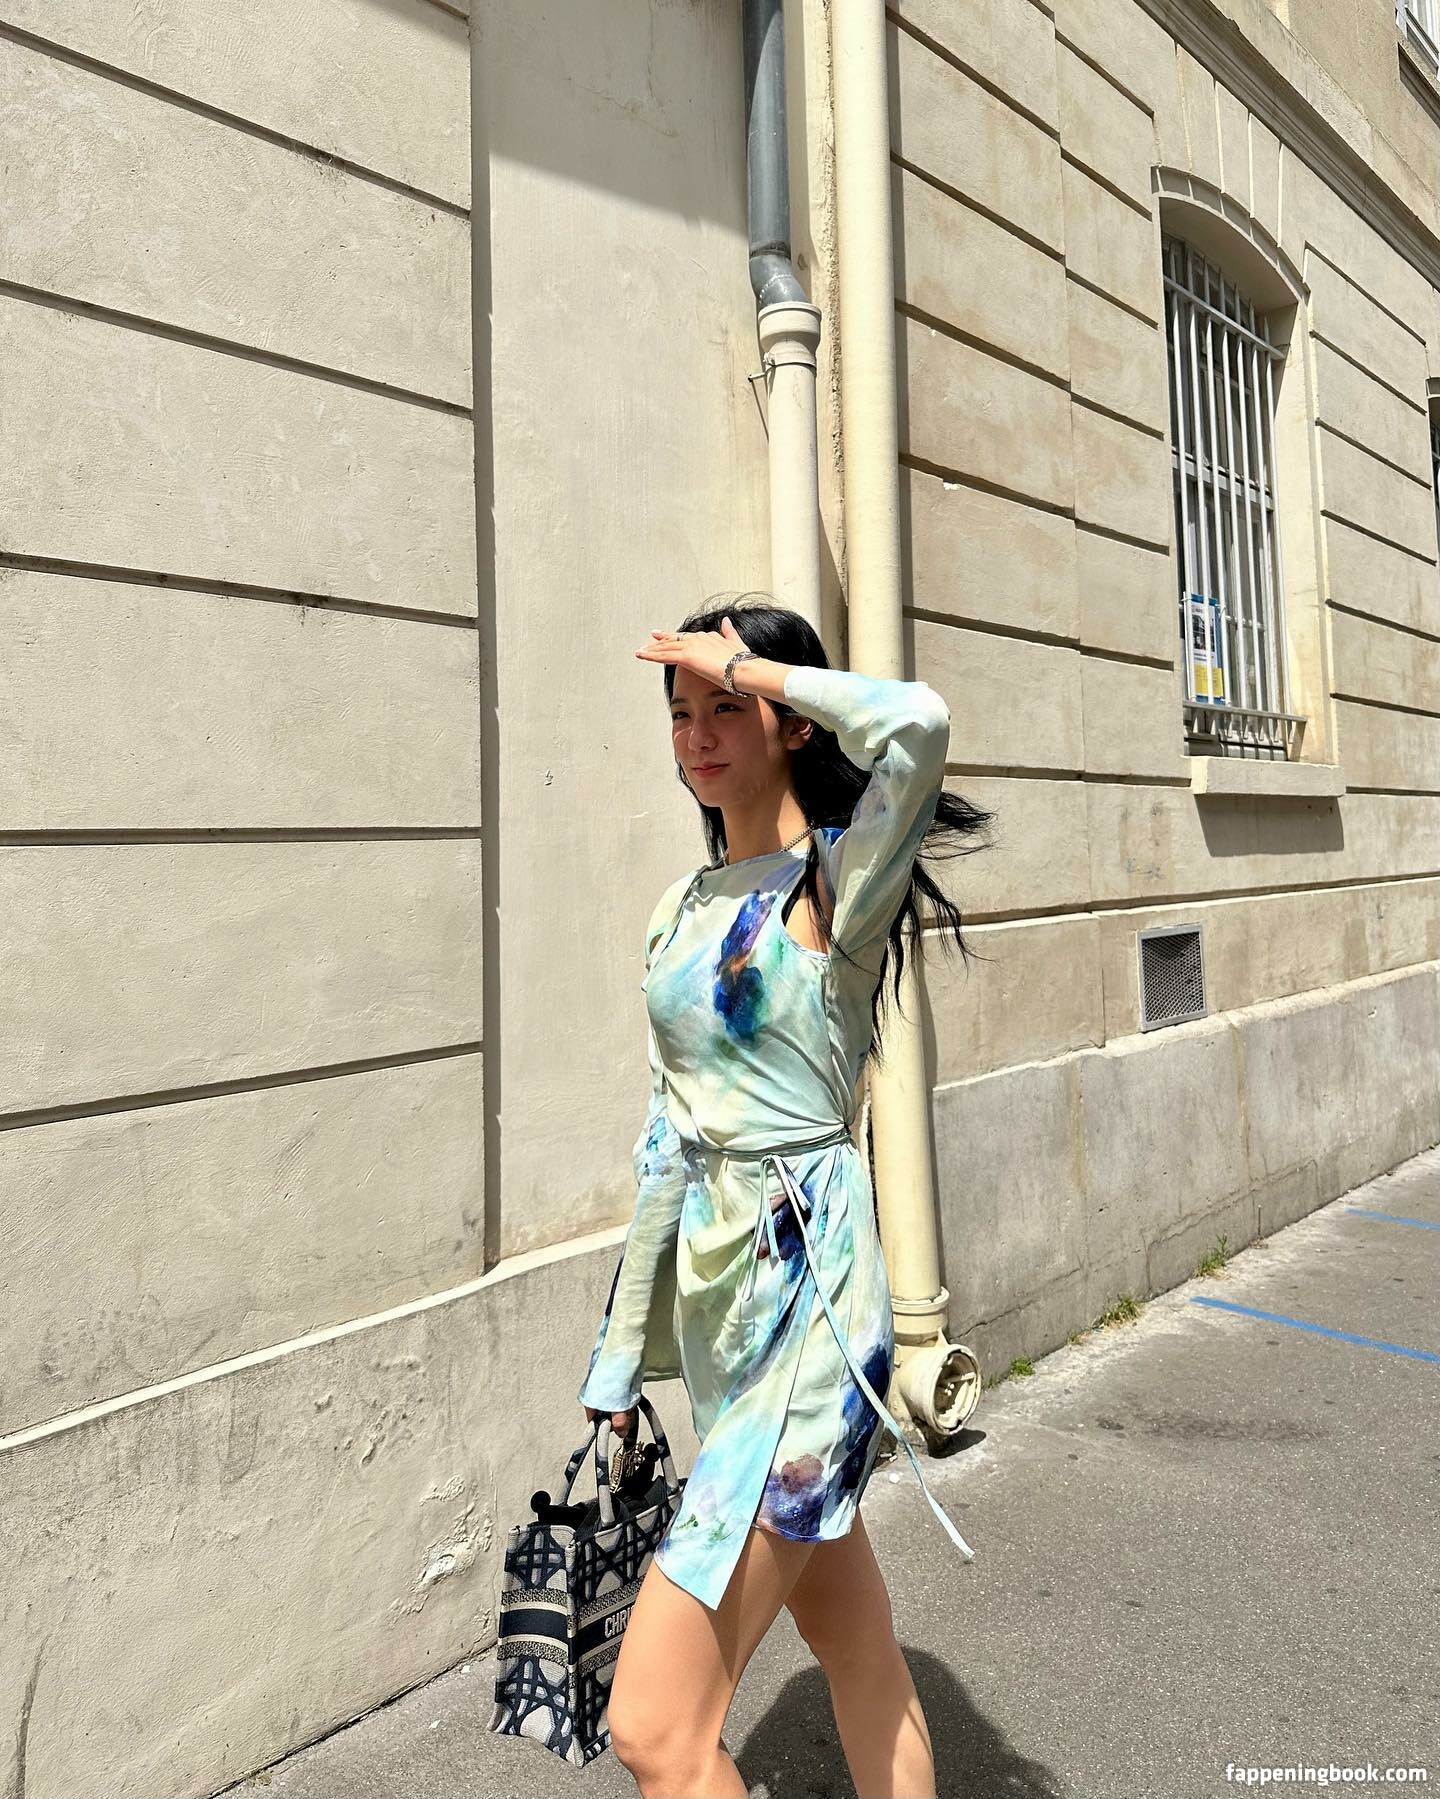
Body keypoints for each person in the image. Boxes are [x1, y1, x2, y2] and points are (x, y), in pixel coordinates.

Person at [578, 593, 994, 1798]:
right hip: (724, 1321)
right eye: (681, 712)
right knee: (856, 1646)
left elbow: (917, 723)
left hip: (813, 1321)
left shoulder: (837, 884)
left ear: (791, 720)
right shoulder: (680, 911)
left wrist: (753, 664)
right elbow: (666, 1140)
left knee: (655, 1728)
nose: (698, 733)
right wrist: (620, 1362)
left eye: (725, 705)